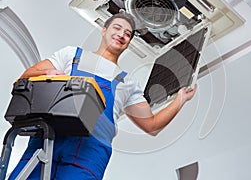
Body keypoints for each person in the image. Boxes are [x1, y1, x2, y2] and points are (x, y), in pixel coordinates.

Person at [8, 12, 197, 179]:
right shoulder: (72, 54)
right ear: (104, 30)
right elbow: (26, 76)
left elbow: (152, 125)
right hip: (48, 137)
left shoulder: (127, 82)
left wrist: (180, 99)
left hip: (90, 151)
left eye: (127, 34)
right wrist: (49, 75)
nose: (122, 35)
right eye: (117, 28)